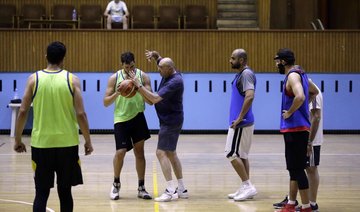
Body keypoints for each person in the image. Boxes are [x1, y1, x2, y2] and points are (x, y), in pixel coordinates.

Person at [13, 41, 94, 212]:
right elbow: (81, 114)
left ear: (46, 56)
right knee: (65, 192)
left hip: (42, 144)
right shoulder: (72, 80)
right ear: (64, 58)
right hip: (67, 144)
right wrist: (88, 140)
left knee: (41, 193)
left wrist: (18, 140)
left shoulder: (33, 79)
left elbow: (22, 111)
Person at [129, 50, 188, 202]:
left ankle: (170, 190)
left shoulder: (175, 82)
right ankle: (181, 188)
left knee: (160, 153)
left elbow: (155, 99)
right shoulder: (170, 71)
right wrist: (156, 55)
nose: (158, 69)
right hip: (171, 119)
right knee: (171, 153)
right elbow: (162, 61)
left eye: (160, 68)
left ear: (168, 69)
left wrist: (138, 85)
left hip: (170, 121)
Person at [274, 48, 319, 212]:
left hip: (296, 129)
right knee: (294, 168)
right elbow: (314, 91)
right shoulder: (301, 74)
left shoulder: (292, 75)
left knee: (298, 169)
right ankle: (291, 204)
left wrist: (291, 112)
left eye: (277, 61)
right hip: (296, 129)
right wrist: (302, 109)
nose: (276, 65)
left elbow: (300, 96)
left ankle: (306, 207)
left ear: (283, 61)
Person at [103, 51, 152, 200]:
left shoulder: (142, 76)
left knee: (140, 153)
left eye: (132, 66)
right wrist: (118, 93)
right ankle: (116, 184)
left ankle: (141, 187)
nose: (129, 69)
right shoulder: (114, 78)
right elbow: (106, 102)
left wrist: (139, 87)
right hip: (121, 119)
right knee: (120, 152)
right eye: (126, 67)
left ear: (135, 63)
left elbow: (150, 101)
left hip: (138, 117)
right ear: (121, 65)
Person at [225, 49, 257, 201]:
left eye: (233, 58)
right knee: (242, 155)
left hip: (240, 124)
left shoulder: (246, 74)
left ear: (242, 60)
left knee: (231, 154)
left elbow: (250, 96)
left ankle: (248, 185)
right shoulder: (241, 74)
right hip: (242, 122)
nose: (230, 61)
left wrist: (239, 118)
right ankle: (246, 187)